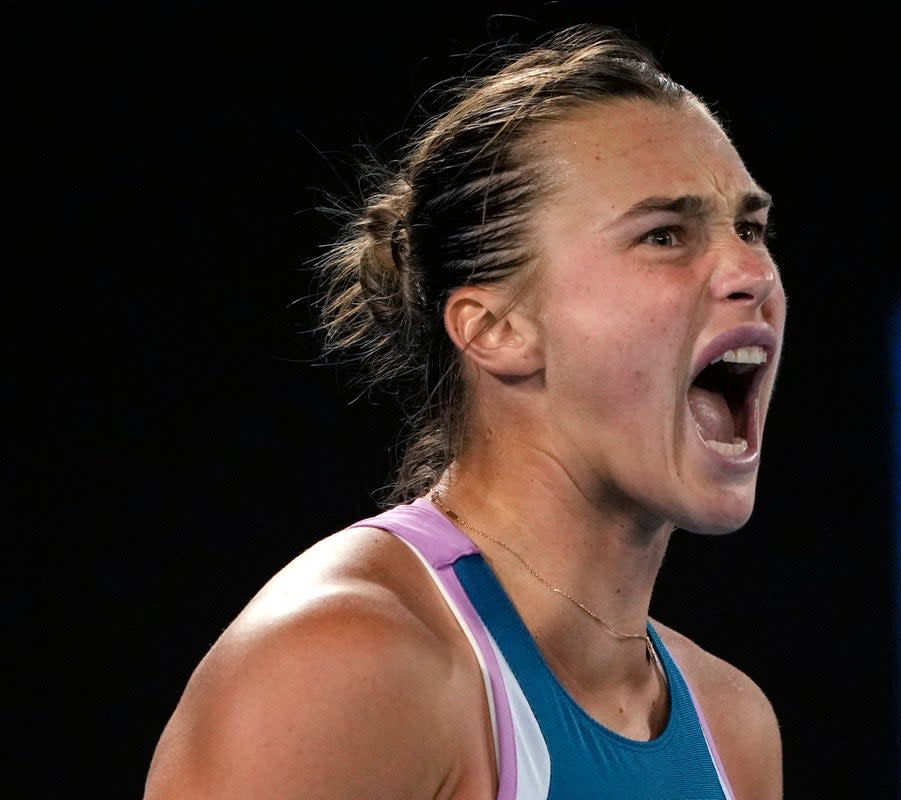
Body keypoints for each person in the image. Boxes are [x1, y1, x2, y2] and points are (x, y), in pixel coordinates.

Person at [143, 21, 786, 800]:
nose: (752, 270)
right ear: (497, 330)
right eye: (664, 235)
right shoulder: (343, 665)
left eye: (751, 228)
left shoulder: (733, 727)